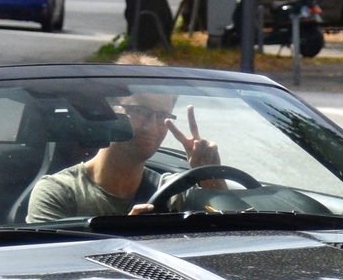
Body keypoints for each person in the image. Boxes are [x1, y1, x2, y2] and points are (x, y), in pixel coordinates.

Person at [26, 91, 223, 223]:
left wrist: (210, 174)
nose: (152, 127)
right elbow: (49, 271)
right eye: (140, 112)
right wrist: (126, 234)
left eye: (163, 117)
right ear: (110, 111)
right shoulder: (58, 192)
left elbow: (236, 233)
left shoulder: (175, 191)